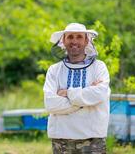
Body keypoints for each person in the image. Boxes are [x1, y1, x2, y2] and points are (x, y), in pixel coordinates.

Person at [43, 23, 111, 154]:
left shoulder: (99, 67)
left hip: (93, 140)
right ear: (63, 40)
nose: (74, 41)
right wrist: (84, 99)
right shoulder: (54, 70)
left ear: (86, 41)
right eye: (70, 37)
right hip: (61, 140)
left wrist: (68, 93)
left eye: (79, 37)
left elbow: (100, 94)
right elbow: (50, 104)